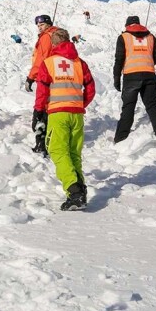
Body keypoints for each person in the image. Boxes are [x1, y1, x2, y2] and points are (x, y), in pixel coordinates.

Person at [33, 29, 96, 210]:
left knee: (58, 151)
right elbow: (91, 88)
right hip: (77, 114)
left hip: (57, 114)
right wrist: (80, 104)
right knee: (74, 153)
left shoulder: (48, 63)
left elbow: (42, 90)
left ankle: (74, 191)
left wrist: (39, 111)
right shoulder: (80, 63)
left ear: (53, 44)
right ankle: (80, 191)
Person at [113, 16, 156, 143]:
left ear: (127, 25)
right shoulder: (150, 37)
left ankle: (121, 138)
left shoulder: (124, 37)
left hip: (131, 76)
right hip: (149, 74)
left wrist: (116, 77)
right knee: (152, 105)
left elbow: (119, 59)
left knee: (128, 107)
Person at [26, 14, 59, 154]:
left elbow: (41, 59)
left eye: (42, 25)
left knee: (42, 110)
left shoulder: (46, 37)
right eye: (38, 25)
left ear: (48, 24)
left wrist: (30, 77)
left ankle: (42, 144)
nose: (39, 27)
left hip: (46, 77)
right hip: (59, 77)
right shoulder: (59, 36)